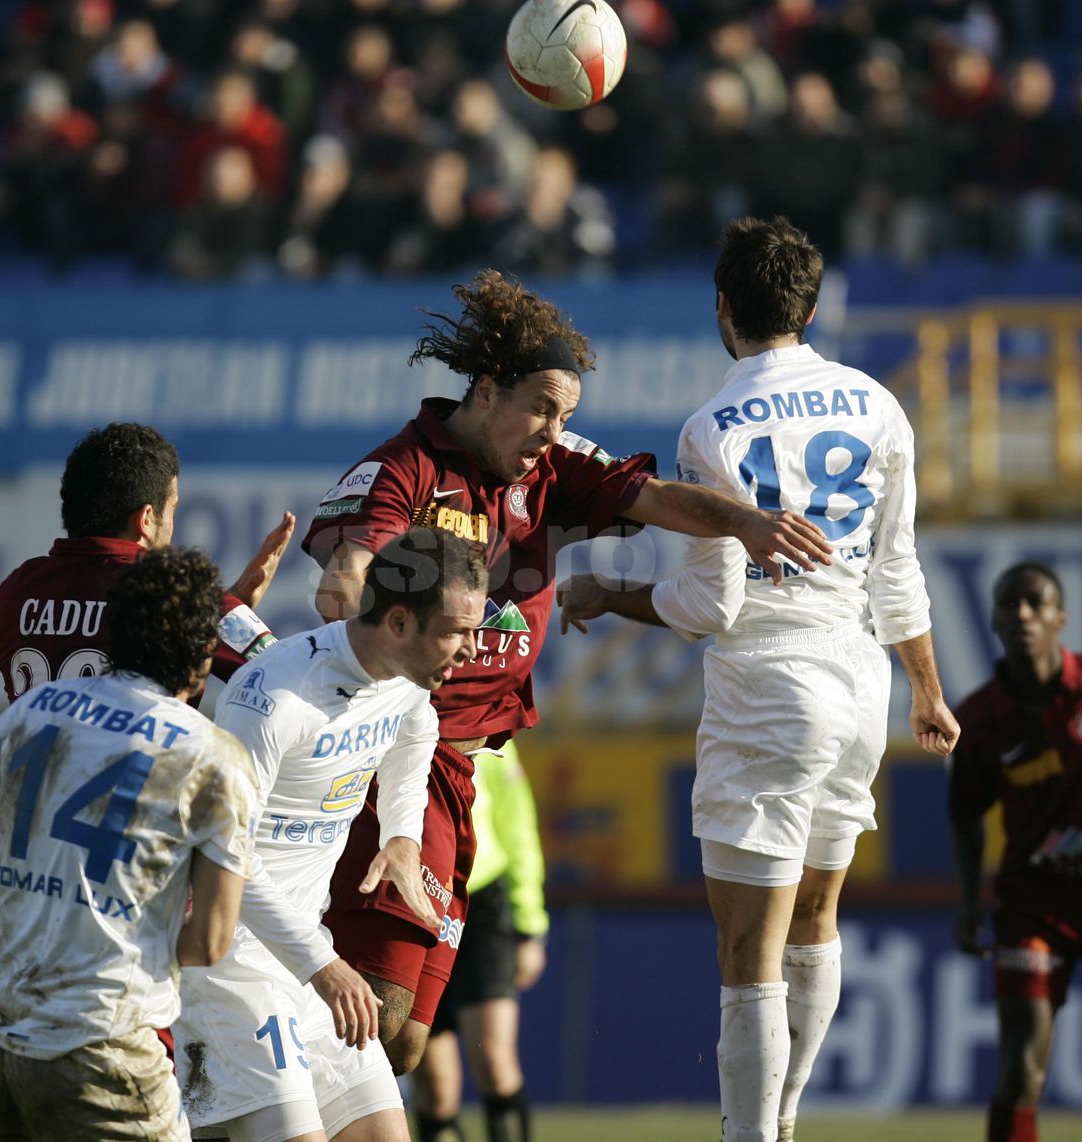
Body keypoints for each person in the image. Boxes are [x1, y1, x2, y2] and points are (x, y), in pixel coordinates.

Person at [302, 266, 835, 1075]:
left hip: (468, 770)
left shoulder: (553, 468)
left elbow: (659, 500)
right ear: (485, 393)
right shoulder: (409, 466)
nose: (553, 428)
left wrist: (749, 525)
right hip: (392, 759)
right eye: (541, 408)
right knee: (372, 1016)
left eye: (566, 414)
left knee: (404, 1041)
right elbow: (354, 557)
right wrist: (349, 586)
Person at [557, 216, 960, 1142]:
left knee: (749, 948)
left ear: (723, 310)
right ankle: (780, 1120)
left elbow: (712, 608)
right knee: (817, 915)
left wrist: (608, 593)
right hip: (862, 683)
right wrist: (927, 692)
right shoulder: (876, 404)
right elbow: (896, 569)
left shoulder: (711, 429)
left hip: (770, 686)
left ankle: (752, 1135)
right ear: (811, 309)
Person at [0, 546, 260, 1141]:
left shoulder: (37, 708)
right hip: (99, 1045)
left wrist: (52, 843)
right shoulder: (211, 756)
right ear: (204, 653)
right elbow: (210, 940)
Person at [176, 528, 488, 1142]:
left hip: (308, 959)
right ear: (398, 621)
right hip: (230, 967)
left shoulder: (406, 683)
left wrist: (401, 834)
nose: (473, 651)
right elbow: (225, 859)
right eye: (457, 632)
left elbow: (417, 728)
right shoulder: (273, 700)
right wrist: (325, 965)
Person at [0, 420, 292, 706]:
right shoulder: (174, 591)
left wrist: (217, 611)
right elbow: (290, 677)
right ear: (147, 519)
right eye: (173, 508)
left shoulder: (16, 589)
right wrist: (222, 609)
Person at [948, 562, 1082, 1142]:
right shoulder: (979, 721)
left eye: (1035, 603)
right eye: (1010, 605)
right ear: (996, 620)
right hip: (1031, 906)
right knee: (1022, 1066)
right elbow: (966, 816)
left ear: (1061, 617)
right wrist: (969, 900)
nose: (1023, 614)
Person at [410, 739, 548, 1142]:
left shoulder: (488, 731)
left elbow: (518, 826)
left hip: (481, 901)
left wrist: (529, 925)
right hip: (417, 903)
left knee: (494, 1064)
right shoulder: (392, 715)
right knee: (434, 1088)